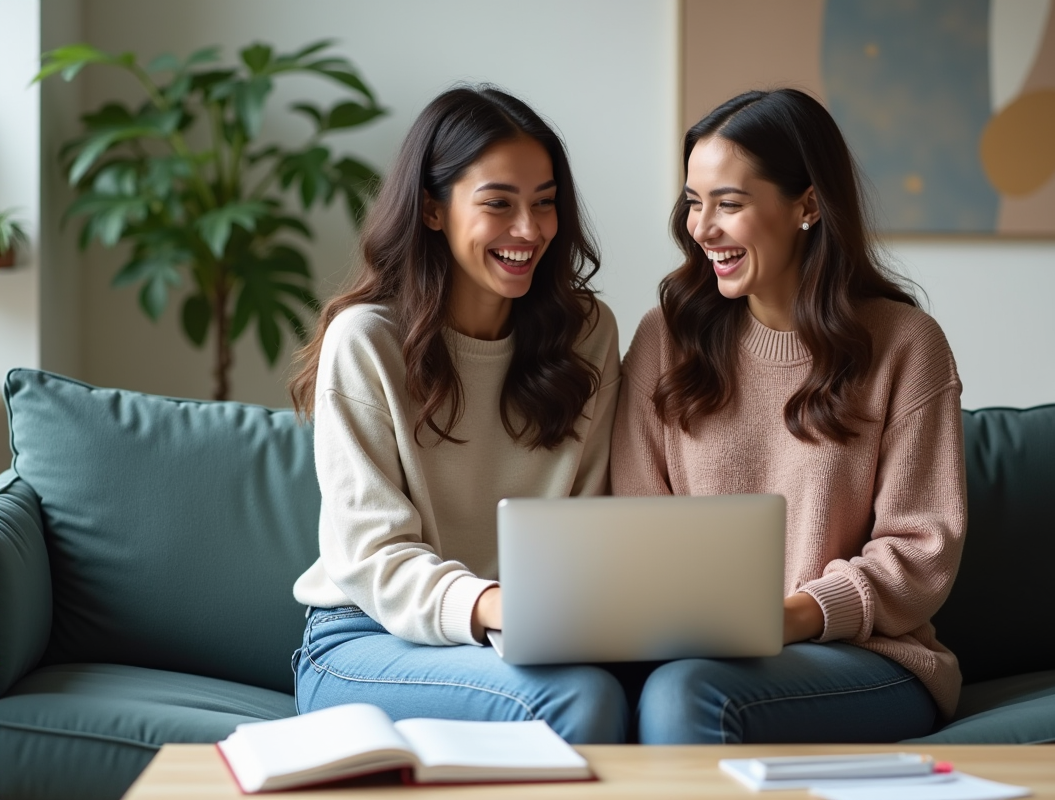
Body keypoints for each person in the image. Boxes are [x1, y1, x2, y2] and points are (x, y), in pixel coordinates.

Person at [612, 88, 966, 744]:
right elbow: (638, 528)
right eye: (694, 202)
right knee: (633, 690)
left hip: (867, 656)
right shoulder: (664, 339)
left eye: (729, 203)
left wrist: (791, 617)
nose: (702, 228)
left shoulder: (906, 344)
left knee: (684, 697)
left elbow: (920, 553)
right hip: (692, 656)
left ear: (807, 205)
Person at [288, 86, 624, 744]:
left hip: (534, 635)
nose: (530, 230)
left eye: (545, 203)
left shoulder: (585, 333)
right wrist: (495, 605)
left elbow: (592, 518)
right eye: (498, 203)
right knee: (580, 699)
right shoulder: (366, 341)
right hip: (365, 638)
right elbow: (373, 554)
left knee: (648, 690)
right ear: (433, 210)